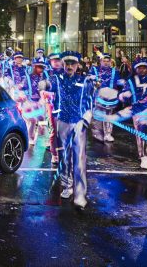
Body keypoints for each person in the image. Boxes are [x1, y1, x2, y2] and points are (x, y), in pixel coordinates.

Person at [50, 51, 95, 209]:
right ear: (63, 64)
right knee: (64, 156)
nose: (69, 66)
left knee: (79, 158)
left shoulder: (85, 81)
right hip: (62, 121)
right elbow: (46, 86)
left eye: (72, 64)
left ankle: (80, 193)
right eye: (67, 63)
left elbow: (90, 102)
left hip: (78, 123)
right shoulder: (56, 79)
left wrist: (85, 120)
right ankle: (67, 186)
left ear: (77, 65)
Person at [113, 57, 147, 169]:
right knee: (140, 134)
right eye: (139, 68)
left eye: (144, 68)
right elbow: (123, 94)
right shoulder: (131, 81)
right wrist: (124, 95)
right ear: (135, 69)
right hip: (137, 111)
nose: (142, 70)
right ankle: (143, 157)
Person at [90, 53, 120, 143]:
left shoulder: (114, 71)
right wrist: (94, 83)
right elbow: (89, 80)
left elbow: (118, 83)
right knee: (97, 115)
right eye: (104, 61)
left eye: (108, 61)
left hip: (110, 97)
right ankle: (97, 133)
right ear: (100, 61)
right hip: (97, 96)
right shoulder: (94, 70)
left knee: (109, 115)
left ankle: (108, 134)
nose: (106, 63)